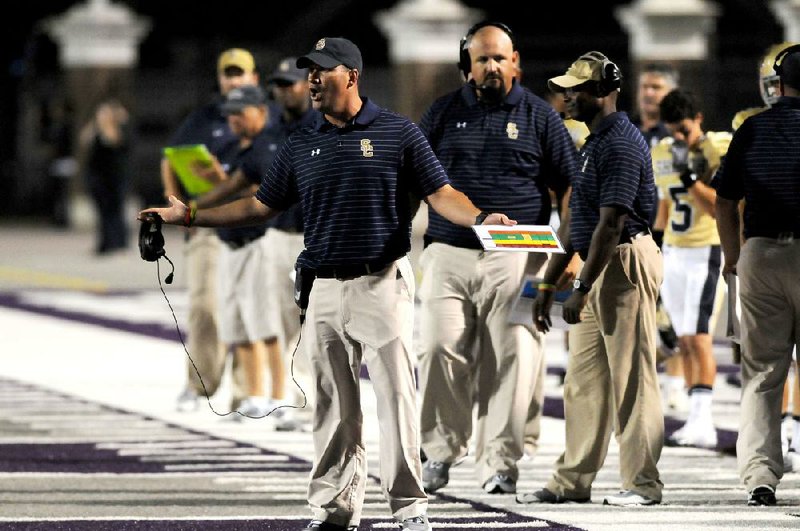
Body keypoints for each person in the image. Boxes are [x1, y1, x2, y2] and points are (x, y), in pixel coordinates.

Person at [140, 36, 515, 531]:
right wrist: (191, 215)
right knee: (332, 408)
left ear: (352, 76)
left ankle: (410, 506)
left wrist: (483, 218)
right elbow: (259, 205)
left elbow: (441, 194)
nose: (311, 79)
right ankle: (334, 508)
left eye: (322, 70)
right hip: (322, 287)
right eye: (309, 71)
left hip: (381, 281)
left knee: (397, 398)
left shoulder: (397, 132)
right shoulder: (300, 141)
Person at [415, 20, 577, 497]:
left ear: (516, 63)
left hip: (518, 251)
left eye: (500, 57)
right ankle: (441, 449)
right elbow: (416, 179)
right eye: (482, 58)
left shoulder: (540, 117)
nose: (491, 66)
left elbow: (569, 186)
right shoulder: (442, 112)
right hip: (449, 247)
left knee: (515, 355)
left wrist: (567, 250)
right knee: (438, 347)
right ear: (467, 66)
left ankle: (501, 461)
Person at [516, 51, 663, 507]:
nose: (567, 97)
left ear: (602, 91)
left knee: (632, 378)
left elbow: (612, 223)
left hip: (621, 262)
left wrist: (580, 287)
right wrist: (547, 282)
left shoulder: (618, 141)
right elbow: (575, 224)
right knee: (583, 381)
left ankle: (641, 484)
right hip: (601, 261)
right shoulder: (593, 141)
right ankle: (572, 480)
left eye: (576, 89)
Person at [715, 44, 800, 507]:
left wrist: (732, 259)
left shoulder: (752, 128)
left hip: (762, 253)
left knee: (762, 373)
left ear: (779, 84)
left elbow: (725, 201)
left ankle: (760, 476)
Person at [161, 48, 259, 412]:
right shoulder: (204, 117)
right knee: (205, 306)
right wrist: (175, 204)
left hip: (253, 225)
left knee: (251, 309)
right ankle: (199, 383)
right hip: (209, 224)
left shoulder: (269, 117)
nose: (233, 80)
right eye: (227, 74)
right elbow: (170, 155)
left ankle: (247, 390)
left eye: (240, 73)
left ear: (254, 78)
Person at [651, 89, 731, 448]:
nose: (679, 138)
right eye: (673, 131)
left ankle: (705, 420)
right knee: (682, 338)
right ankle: (693, 417)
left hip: (705, 250)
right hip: (673, 251)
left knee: (699, 337)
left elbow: (719, 207)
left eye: (684, 129)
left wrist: (689, 177)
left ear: (698, 118)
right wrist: (652, 250)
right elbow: (665, 209)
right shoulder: (663, 152)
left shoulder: (717, 147)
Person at [79, 98, 131, 255]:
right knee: (102, 213)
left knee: (115, 211)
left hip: (114, 179)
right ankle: (105, 243)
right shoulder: (96, 131)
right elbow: (83, 140)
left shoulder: (116, 129)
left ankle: (117, 243)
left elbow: (117, 142)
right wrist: (96, 123)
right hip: (98, 178)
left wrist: (114, 120)